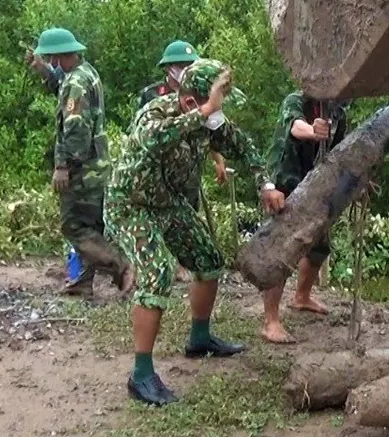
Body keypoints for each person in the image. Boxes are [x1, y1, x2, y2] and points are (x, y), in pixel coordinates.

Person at [104, 58, 285, 406]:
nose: (223, 108)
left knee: (208, 259)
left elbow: (242, 145)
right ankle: (141, 375)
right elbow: (152, 141)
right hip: (130, 205)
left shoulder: (209, 120)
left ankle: (199, 339)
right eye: (220, 98)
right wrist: (202, 113)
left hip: (168, 203)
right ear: (191, 101)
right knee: (157, 273)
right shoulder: (155, 114)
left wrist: (266, 183)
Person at [27, 27, 132, 297]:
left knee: (73, 225)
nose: (51, 62)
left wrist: (63, 166)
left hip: (83, 169)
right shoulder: (86, 73)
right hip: (97, 165)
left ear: (59, 56)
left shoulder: (75, 83)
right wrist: (44, 73)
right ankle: (84, 282)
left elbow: (75, 129)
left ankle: (122, 267)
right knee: (92, 225)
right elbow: (61, 88)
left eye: (51, 58)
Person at [259, 91, 351, 344]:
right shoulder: (295, 100)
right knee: (282, 250)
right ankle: (271, 321)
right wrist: (313, 130)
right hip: (285, 182)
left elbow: (338, 152)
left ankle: (301, 297)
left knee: (319, 247)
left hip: (314, 183)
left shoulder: (338, 112)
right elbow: (295, 127)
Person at [140, 40, 229, 283]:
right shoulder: (151, 96)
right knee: (153, 216)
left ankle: (182, 264)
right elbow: (142, 134)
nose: (185, 70)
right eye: (180, 66)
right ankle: (150, 264)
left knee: (188, 212)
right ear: (168, 69)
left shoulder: (200, 94)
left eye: (189, 65)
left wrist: (218, 161)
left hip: (187, 168)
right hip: (157, 169)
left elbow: (211, 130)